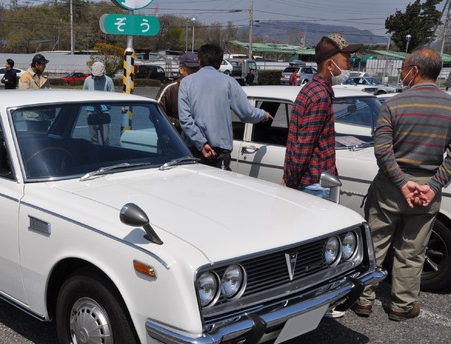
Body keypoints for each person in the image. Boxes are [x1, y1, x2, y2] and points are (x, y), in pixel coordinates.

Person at [352, 48, 451, 322]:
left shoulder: (393, 105)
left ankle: (363, 300)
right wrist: (433, 185)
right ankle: (402, 305)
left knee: (376, 243)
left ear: (415, 71)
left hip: (391, 186)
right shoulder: (449, 106)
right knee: (413, 250)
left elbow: (383, 151)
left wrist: (402, 183)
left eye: (404, 68)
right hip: (428, 189)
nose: (401, 73)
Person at [281, 33, 361, 319]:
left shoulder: (318, 91)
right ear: (330, 63)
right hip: (313, 183)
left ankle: (310, 303)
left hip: (314, 179)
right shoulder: (317, 95)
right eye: (346, 59)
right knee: (314, 251)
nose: (349, 64)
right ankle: (311, 305)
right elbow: (303, 145)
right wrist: (290, 182)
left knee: (313, 249)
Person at [179, 44, 272, 170]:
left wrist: (202, 143)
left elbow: (185, 120)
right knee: (220, 188)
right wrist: (263, 114)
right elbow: (246, 113)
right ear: (220, 62)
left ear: (199, 61)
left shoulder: (186, 82)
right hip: (220, 151)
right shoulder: (229, 82)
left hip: (193, 148)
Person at [156, 52, 199, 133]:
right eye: (191, 70)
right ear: (181, 69)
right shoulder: (169, 89)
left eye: (197, 69)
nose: (194, 73)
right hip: (173, 140)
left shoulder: (201, 89)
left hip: (197, 141)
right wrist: (182, 124)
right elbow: (156, 114)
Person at [83, 61, 115, 144]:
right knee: (93, 138)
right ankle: (95, 155)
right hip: (91, 112)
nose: (97, 78)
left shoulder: (109, 81)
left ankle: (106, 155)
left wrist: (106, 106)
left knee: (105, 139)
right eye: (95, 76)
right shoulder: (87, 80)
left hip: (104, 112)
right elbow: (83, 95)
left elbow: (113, 97)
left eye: (99, 76)